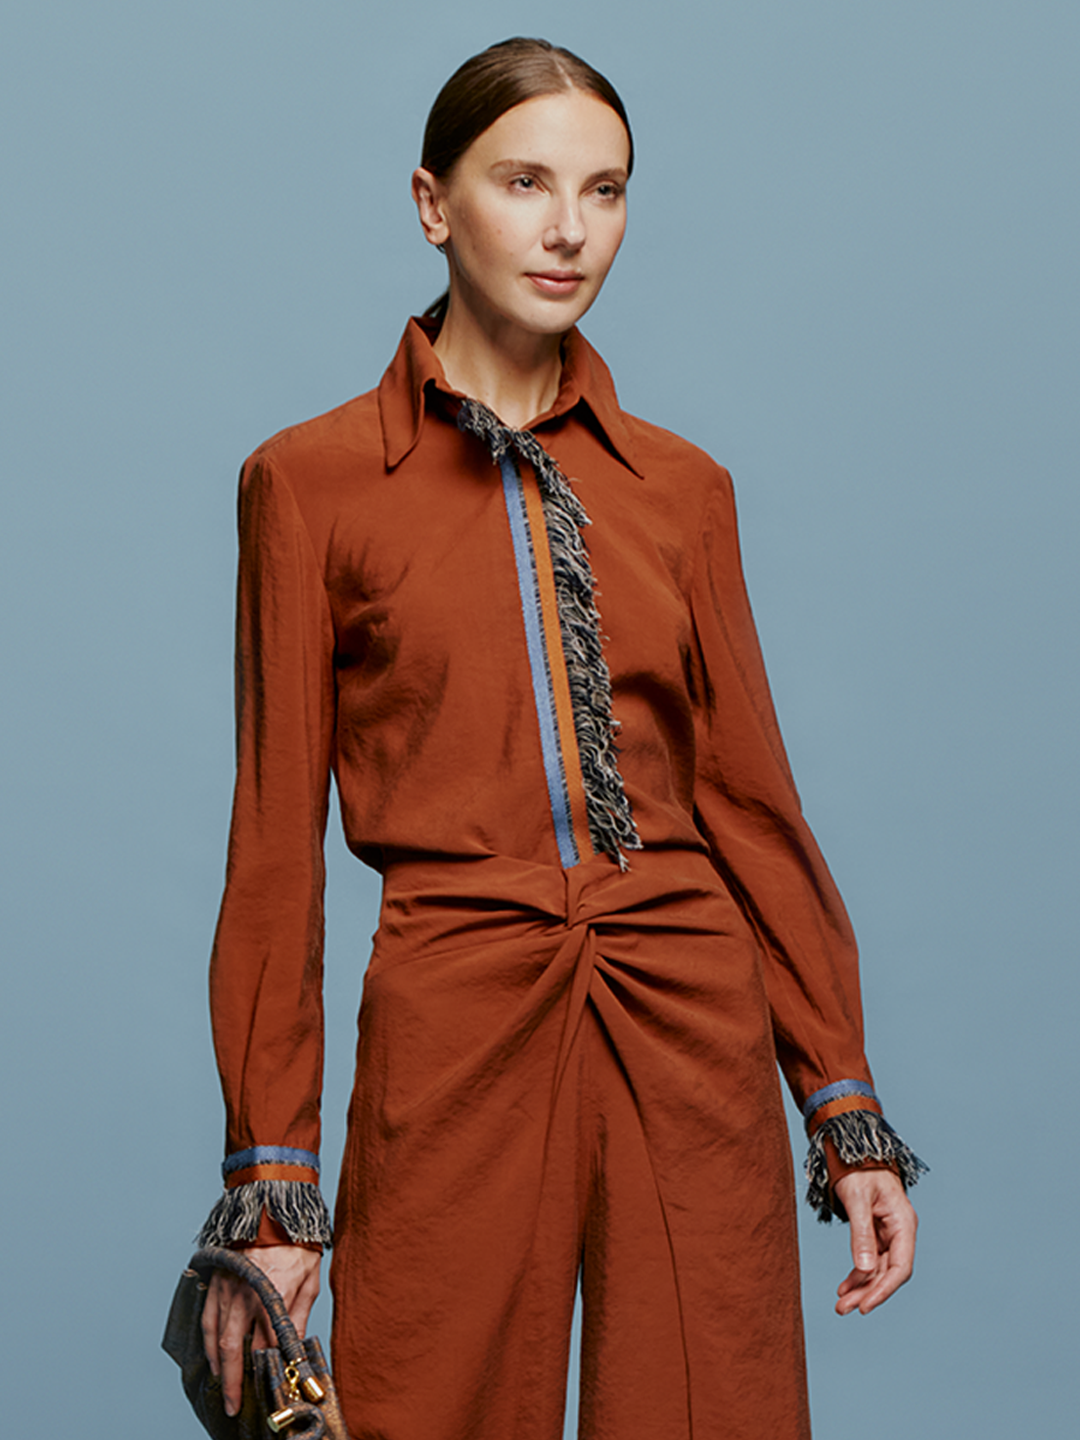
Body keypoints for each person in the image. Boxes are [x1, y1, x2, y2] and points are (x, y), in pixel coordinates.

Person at [198, 36, 924, 1440]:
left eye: (605, 189)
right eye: (523, 180)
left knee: (713, 1407)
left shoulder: (683, 491)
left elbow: (754, 811)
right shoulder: (307, 484)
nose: (568, 228)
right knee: (422, 1406)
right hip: (456, 1002)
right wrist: (273, 1183)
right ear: (432, 202)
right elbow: (273, 845)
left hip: (688, 1003)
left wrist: (845, 1109)